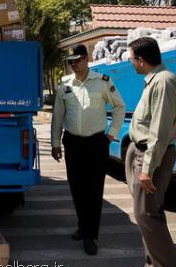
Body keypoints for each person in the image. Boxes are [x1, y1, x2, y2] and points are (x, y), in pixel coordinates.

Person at [51, 44, 125, 255]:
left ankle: (91, 235)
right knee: (77, 188)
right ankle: (82, 226)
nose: (73, 64)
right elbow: (57, 117)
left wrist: (112, 133)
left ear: (86, 59)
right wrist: (55, 144)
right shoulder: (64, 85)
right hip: (72, 143)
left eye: (76, 60)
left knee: (93, 190)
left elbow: (120, 106)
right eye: (70, 62)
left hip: (95, 144)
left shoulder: (102, 82)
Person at [125, 37, 176, 267]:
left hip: (152, 156)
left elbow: (159, 132)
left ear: (141, 60)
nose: (131, 63)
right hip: (142, 152)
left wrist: (147, 169)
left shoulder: (163, 82)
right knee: (146, 213)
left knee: (147, 214)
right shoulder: (155, 80)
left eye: (131, 59)